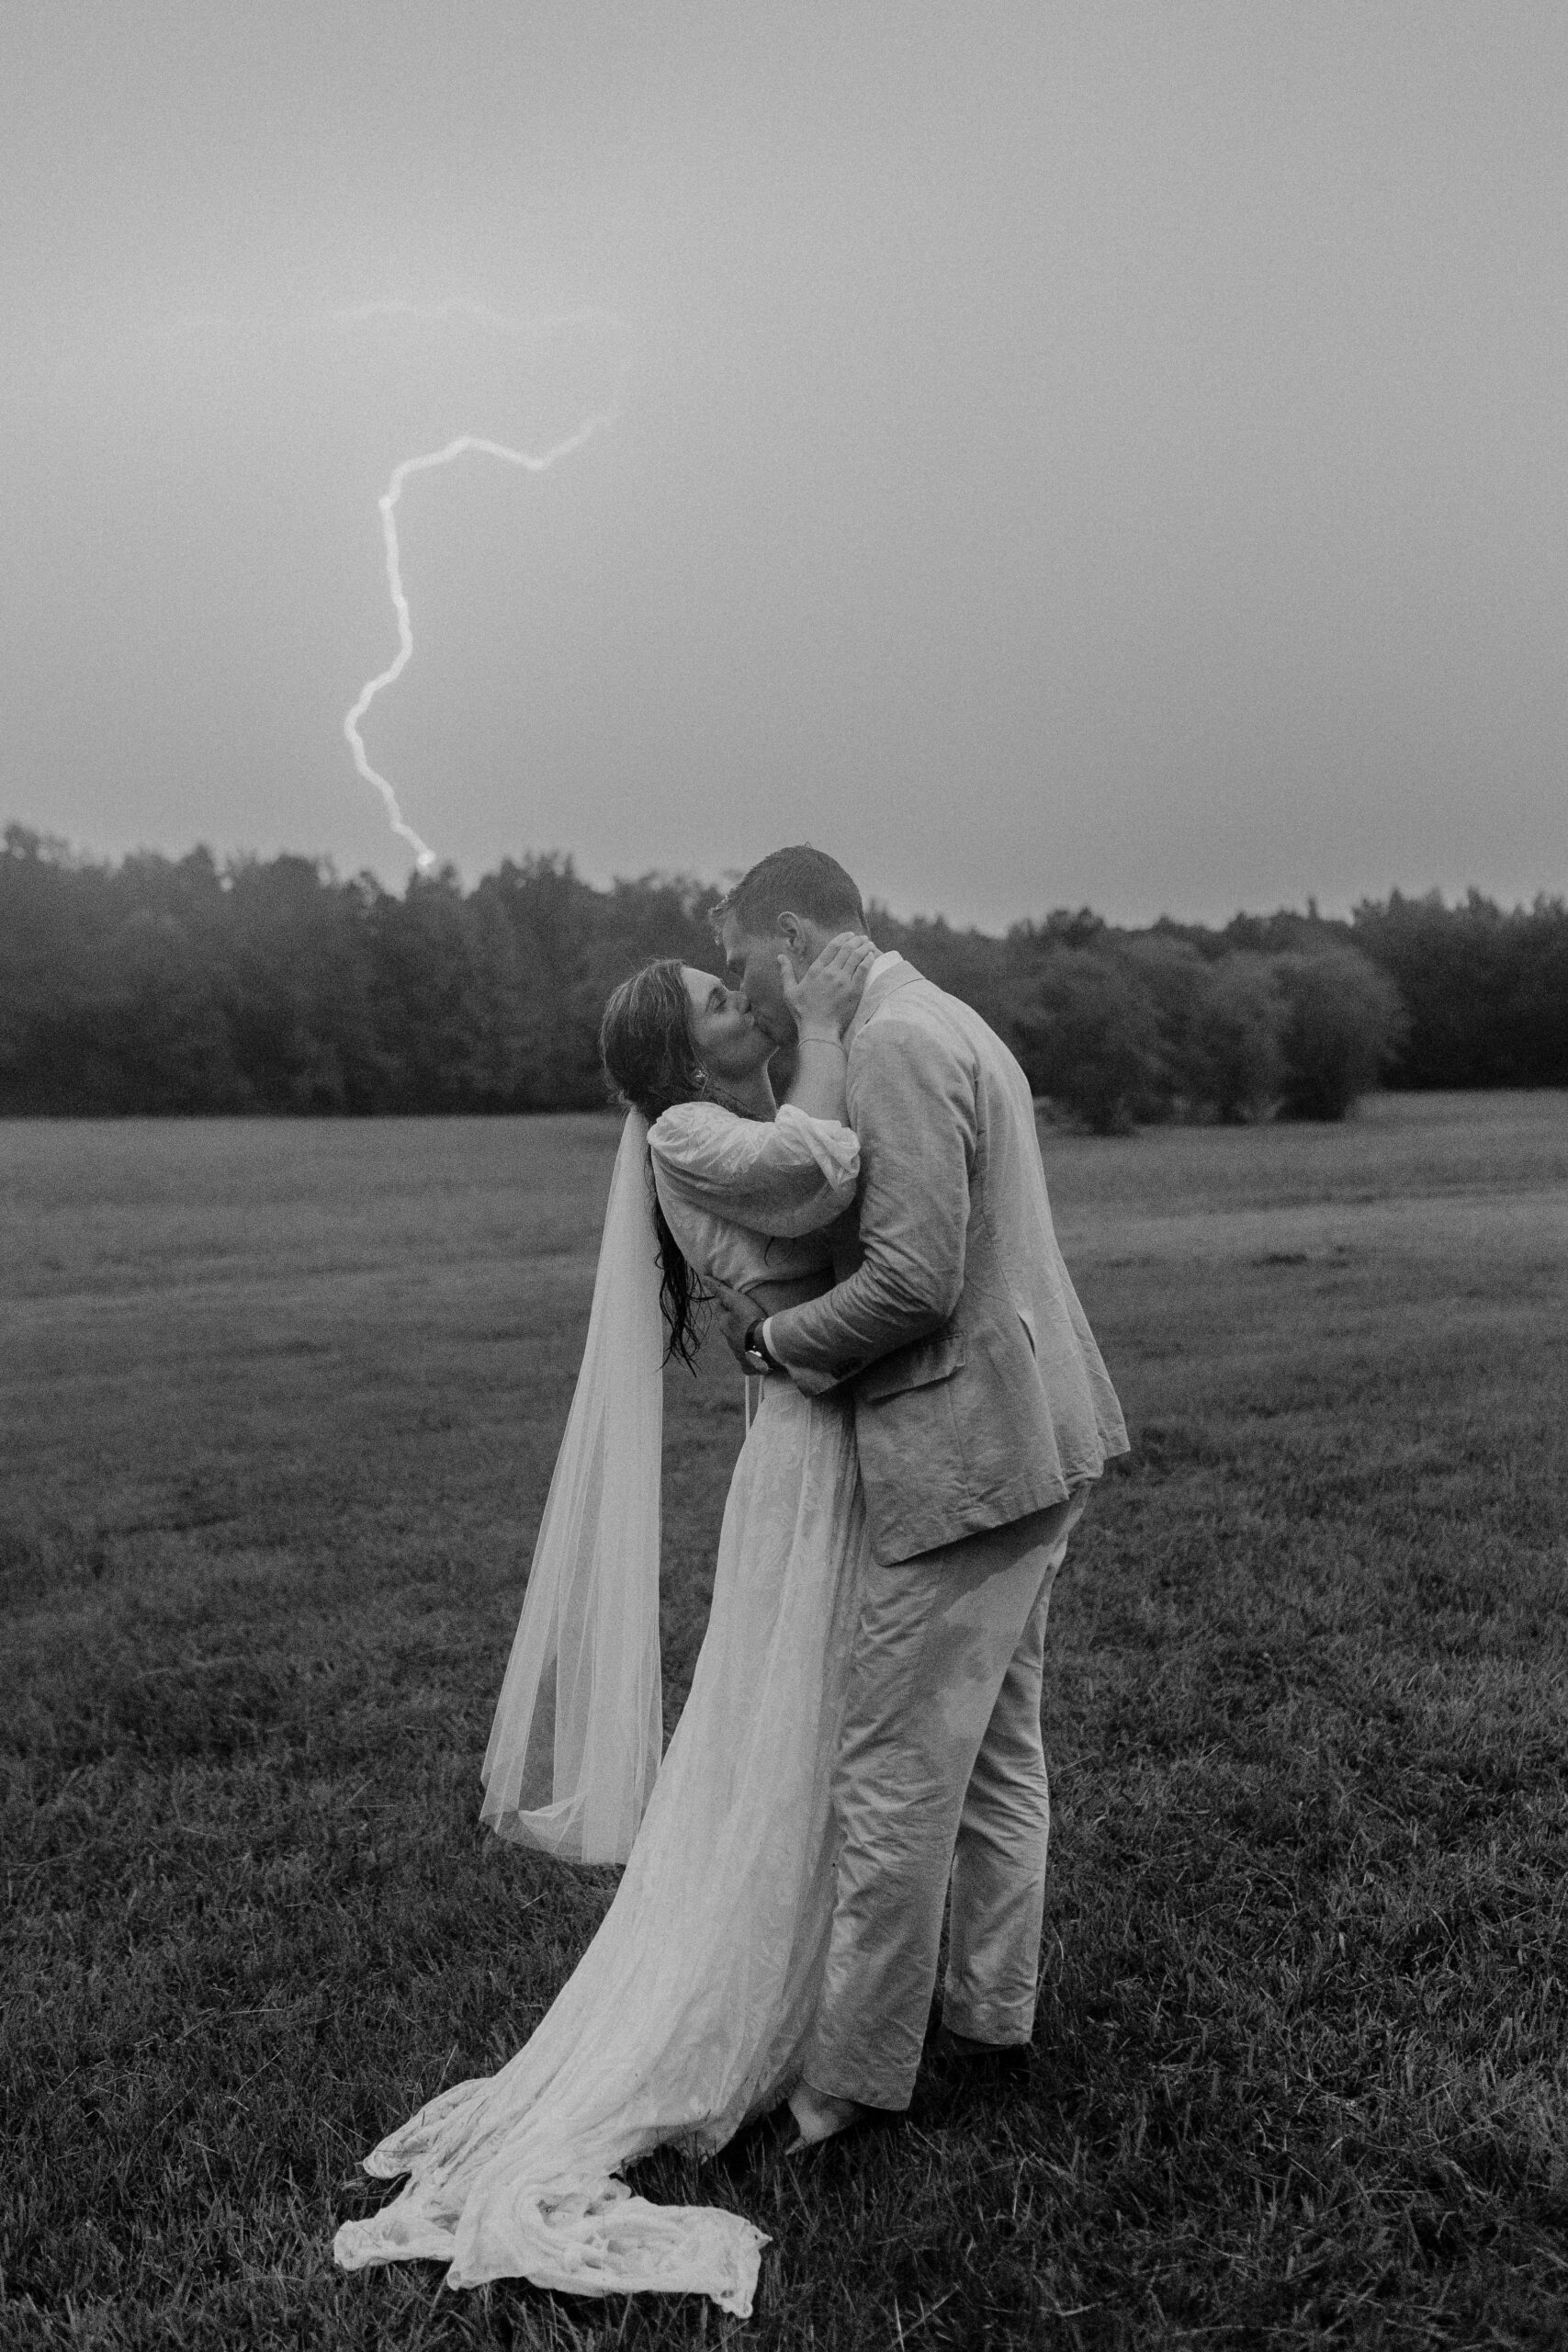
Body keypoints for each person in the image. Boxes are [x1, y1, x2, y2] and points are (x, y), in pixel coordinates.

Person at [333, 931, 879, 2316]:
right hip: (810, 1452)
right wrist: (823, 1020)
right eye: (713, 998)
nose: (737, 997)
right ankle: (788, 2004)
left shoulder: (713, 1121)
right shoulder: (694, 1131)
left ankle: (848, 1981)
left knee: (817, 1721)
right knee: (794, 1725)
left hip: (821, 1427)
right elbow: (828, 1168)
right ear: (684, 1053)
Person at [706, 845, 1129, 2150]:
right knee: (1001, 1756)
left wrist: (777, 1345)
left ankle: (851, 2084)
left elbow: (912, 1282)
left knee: (889, 1776)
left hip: (966, 1459)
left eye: (738, 967)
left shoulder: (889, 1041)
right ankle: (991, 2024)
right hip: (1042, 1440)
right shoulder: (948, 1015)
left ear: (789, 934)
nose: (747, 998)